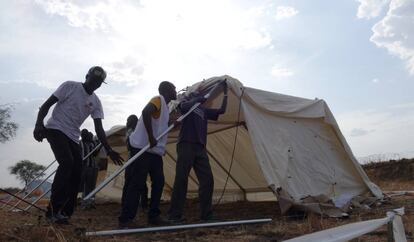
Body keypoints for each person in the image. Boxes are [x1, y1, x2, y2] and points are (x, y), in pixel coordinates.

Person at [33, 66, 124, 224]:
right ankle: (52, 211)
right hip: (55, 128)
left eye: (99, 82)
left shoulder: (96, 102)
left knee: (77, 172)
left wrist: (109, 150)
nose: (96, 84)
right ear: (87, 76)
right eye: (94, 80)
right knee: (67, 163)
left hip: (73, 136)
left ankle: (65, 213)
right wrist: (38, 124)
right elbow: (46, 105)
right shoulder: (70, 86)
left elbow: (99, 128)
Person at [119, 81, 177, 228]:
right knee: (137, 183)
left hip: (154, 152)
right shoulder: (158, 99)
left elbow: (161, 127)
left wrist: (174, 123)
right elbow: (146, 112)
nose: (176, 90)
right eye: (173, 88)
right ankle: (126, 219)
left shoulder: (165, 108)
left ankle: (154, 216)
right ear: (166, 90)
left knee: (159, 182)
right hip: (142, 149)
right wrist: (151, 136)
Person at [168, 81, 228, 223]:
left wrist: (225, 94)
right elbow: (183, 107)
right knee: (181, 179)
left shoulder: (203, 110)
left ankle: (206, 214)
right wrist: (196, 98)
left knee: (207, 180)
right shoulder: (185, 103)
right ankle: (175, 215)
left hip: (200, 147)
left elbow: (221, 111)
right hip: (186, 144)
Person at [125, 114, 148, 210]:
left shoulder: (130, 132)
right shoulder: (131, 132)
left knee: (132, 184)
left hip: (133, 161)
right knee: (136, 184)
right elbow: (130, 146)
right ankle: (139, 205)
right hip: (134, 161)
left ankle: (137, 204)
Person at [79, 129, 100, 209]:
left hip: (93, 167)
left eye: (85, 134)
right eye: (82, 135)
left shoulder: (92, 143)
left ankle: (90, 203)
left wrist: (99, 144)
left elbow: (95, 153)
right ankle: (84, 204)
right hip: (83, 167)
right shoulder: (79, 143)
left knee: (91, 186)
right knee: (84, 186)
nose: (84, 136)